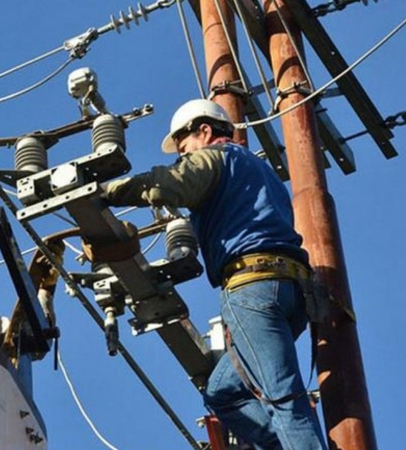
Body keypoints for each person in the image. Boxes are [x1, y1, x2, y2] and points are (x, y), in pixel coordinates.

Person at [103, 99, 327, 449]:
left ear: (204, 131)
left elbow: (171, 184)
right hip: (292, 292)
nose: (181, 156)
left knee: (282, 397)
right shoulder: (259, 169)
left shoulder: (215, 158)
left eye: (184, 147)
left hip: (252, 288)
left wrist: (105, 193)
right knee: (222, 392)